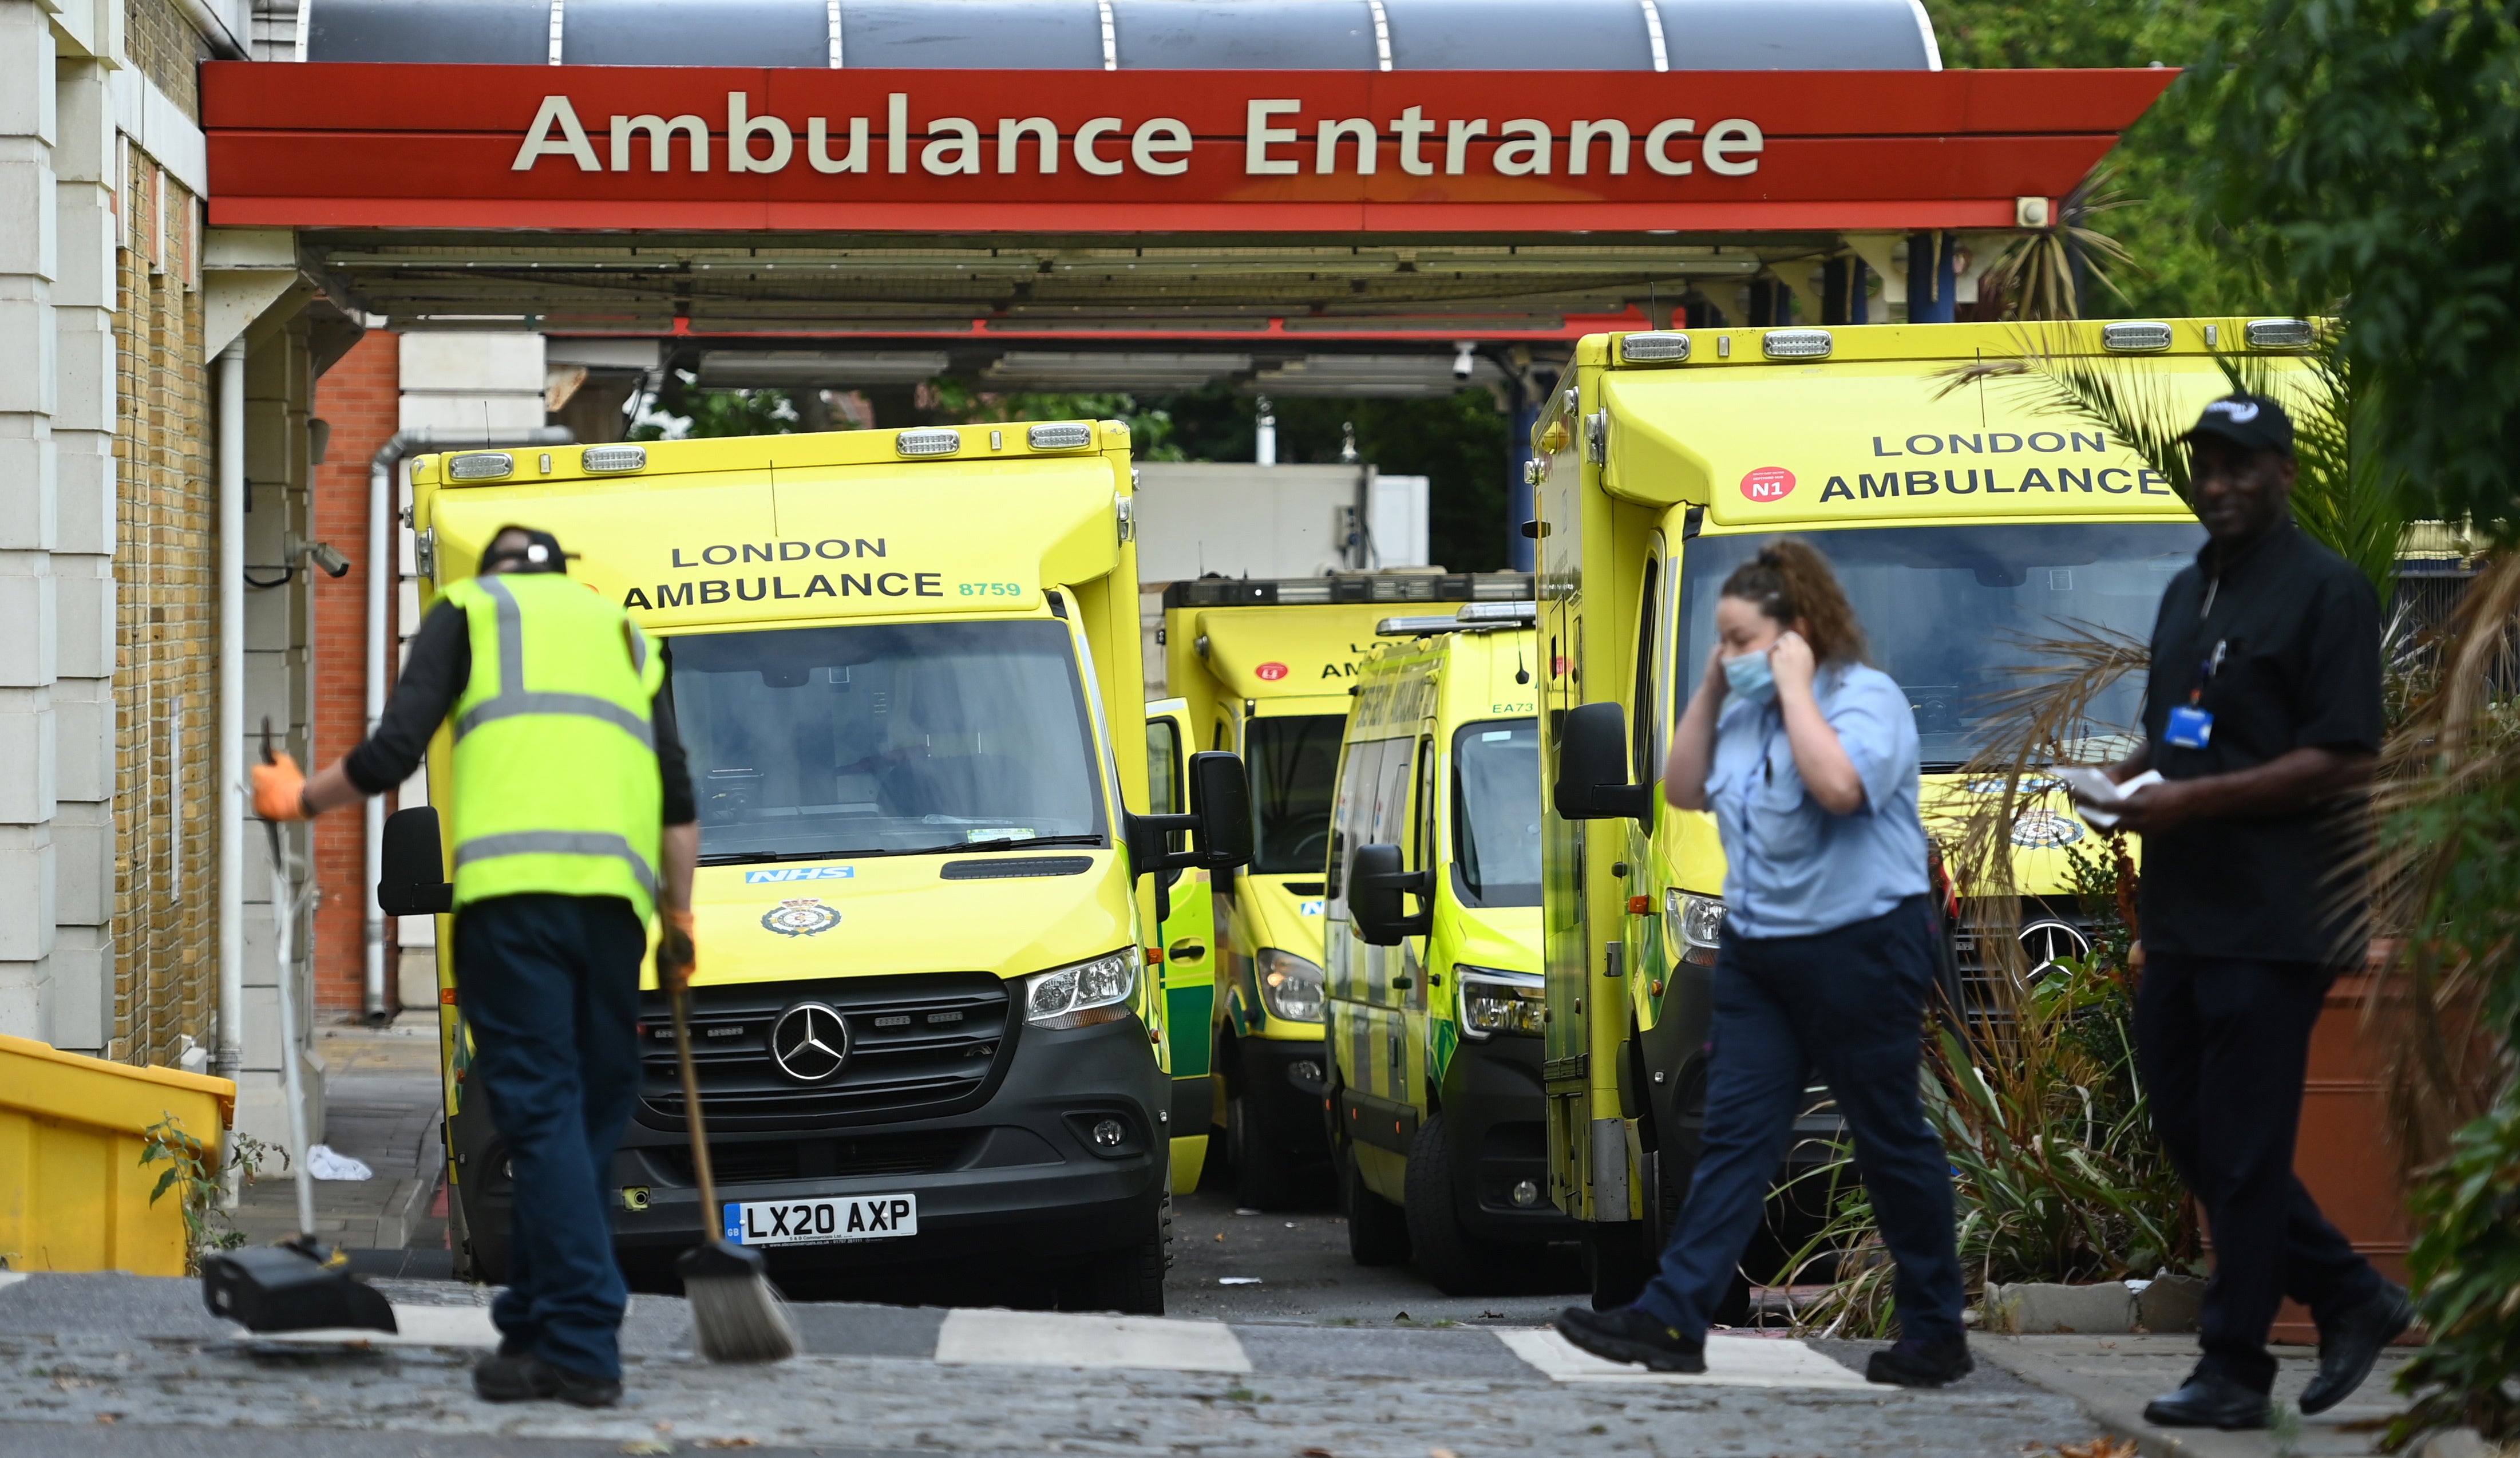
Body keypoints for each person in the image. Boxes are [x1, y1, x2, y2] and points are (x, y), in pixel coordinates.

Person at [252, 525, 699, 1410]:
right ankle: (533, 1326)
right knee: (586, 1121)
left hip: (513, 911)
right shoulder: (624, 635)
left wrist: (297, 798)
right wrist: (680, 918)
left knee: (538, 1117)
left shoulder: (468, 611)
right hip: (614, 912)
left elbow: (392, 754)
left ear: (493, 572)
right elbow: (677, 797)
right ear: (565, 576)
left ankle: (581, 1345)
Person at [1553, 540, 1971, 1387]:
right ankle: (1674, 1318)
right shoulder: (1737, 709)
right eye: (1724, 640)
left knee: (1887, 1136)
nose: (1731, 654)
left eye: (1744, 639)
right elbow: (1679, 787)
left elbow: (1839, 789)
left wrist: (1790, 688)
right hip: (1761, 950)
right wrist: (1711, 687)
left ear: (1800, 632)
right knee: (1736, 1138)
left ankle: (1936, 1327)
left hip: (1862, 945)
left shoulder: (1866, 702)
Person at [2074, 394, 2409, 1431]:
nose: (2218, 484)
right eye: (2206, 466)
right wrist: (2123, 782)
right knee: (2190, 1129)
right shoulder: (2191, 591)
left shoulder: (2327, 593)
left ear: (2285, 473)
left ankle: (2232, 1368)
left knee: (2248, 1147)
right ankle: (2354, 1295)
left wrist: (2190, 801)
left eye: (2241, 466)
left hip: (2276, 921)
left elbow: (2347, 755)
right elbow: (2182, 728)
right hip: (2182, 914)